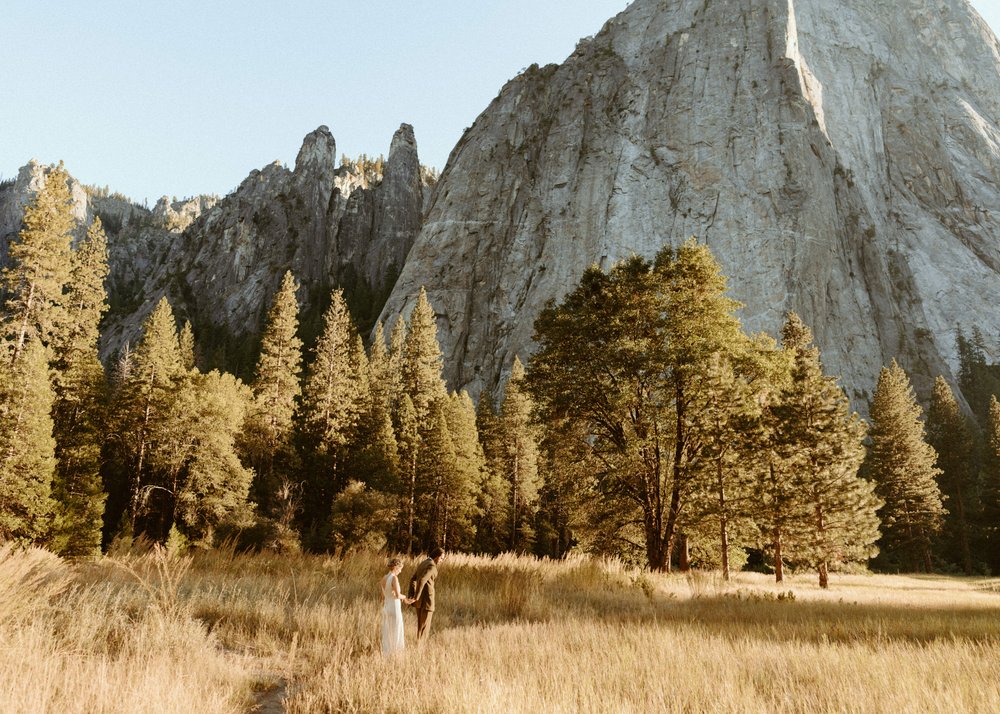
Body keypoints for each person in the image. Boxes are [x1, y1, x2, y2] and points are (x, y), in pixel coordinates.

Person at [407, 547, 445, 642]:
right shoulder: (432, 566)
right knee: (425, 628)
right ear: (437, 557)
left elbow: (413, 579)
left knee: (420, 627)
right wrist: (416, 597)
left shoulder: (423, 563)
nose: (442, 561)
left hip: (419, 602)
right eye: (442, 558)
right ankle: (420, 650)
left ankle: (418, 648)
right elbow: (422, 580)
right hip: (427, 600)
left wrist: (412, 596)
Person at [380, 557, 413, 656]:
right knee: (396, 629)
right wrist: (406, 597)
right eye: (400, 568)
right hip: (394, 607)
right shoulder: (394, 578)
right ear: (395, 567)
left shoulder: (384, 578)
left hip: (386, 606)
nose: (401, 571)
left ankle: (387, 652)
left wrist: (392, 595)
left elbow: (382, 596)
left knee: (388, 630)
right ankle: (396, 653)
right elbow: (398, 595)